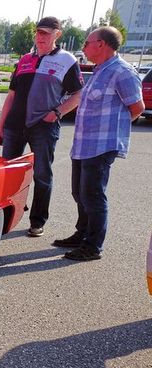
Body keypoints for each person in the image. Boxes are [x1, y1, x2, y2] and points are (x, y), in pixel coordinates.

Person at [54, 26, 144, 261]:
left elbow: (137, 108)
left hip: (102, 146)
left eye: (87, 42)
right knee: (79, 193)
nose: (83, 46)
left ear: (101, 44)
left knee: (93, 195)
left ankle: (93, 246)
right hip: (83, 144)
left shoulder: (122, 72)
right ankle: (82, 234)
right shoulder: (99, 71)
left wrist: (113, 130)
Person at [0, 16, 83, 238]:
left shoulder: (67, 60)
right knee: (10, 173)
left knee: (42, 175)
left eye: (45, 33)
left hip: (43, 127)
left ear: (57, 34)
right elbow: (11, 96)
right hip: (15, 125)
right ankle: (7, 215)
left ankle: (37, 221)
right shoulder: (25, 59)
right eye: (38, 32)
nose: (40, 37)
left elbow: (79, 93)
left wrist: (57, 113)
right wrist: (0, 126)